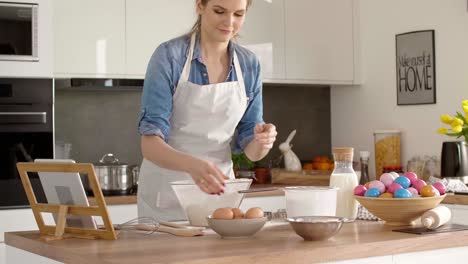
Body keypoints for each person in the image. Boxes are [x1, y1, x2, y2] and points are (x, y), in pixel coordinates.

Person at [137, 0, 277, 221]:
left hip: (221, 196)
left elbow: (249, 154)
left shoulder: (249, 64)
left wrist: (262, 142)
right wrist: (193, 166)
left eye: (238, 14)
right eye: (219, 11)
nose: (229, 22)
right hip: (167, 195)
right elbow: (149, 145)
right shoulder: (170, 57)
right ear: (200, 6)